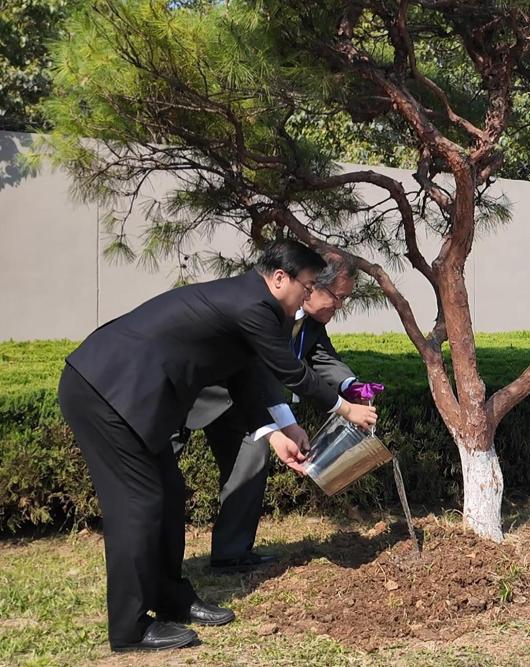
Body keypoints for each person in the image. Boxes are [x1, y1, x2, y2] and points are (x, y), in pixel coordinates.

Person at [57, 240, 377, 652]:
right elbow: (291, 372)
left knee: (169, 494)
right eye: (308, 284)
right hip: (106, 391)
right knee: (138, 505)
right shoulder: (253, 305)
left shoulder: (250, 303)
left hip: (130, 396)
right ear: (280, 278)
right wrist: (344, 408)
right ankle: (129, 628)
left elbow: (245, 379)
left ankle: (169, 596)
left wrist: (277, 431)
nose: (307, 295)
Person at [174, 259, 366, 572]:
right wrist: (289, 423)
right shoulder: (270, 313)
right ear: (311, 286)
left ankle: (231, 555)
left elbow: (323, 359)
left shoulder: (313, 325)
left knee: (252, 456)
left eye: (346, 298)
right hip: (198, 392)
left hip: (245, 400)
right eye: (337, 296)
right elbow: (266, 371)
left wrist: (353, 387)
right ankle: (158, 568)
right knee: (159, 477)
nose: (340, 306)